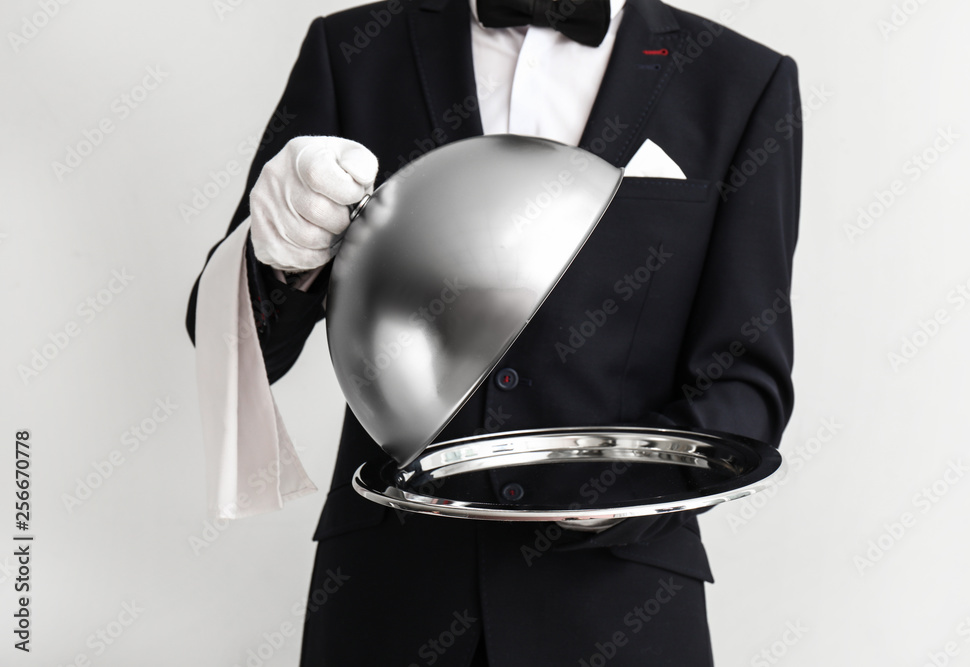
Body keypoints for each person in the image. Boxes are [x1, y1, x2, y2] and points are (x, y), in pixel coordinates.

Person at [185, 0, 802, 664]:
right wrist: (271, 251)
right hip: (389, 601)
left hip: (620, 608)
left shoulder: (741, 78)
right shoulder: (354, 48)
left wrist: (624, 491)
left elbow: (746, 378)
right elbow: (236, 341)